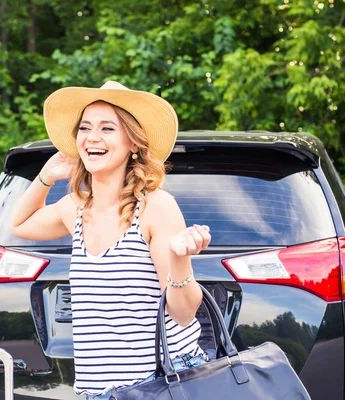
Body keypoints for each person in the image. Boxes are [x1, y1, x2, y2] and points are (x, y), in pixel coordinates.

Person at [11, 81, 211, 399]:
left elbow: (183, 313)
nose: (93, 137)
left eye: (107, 128)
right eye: (85, 128)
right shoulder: (76, 208)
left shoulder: (154, 207)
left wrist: (180, 258)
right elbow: (20, 224)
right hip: (98, 391)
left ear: (133, 142)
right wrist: (46, 176)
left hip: (159, 385)